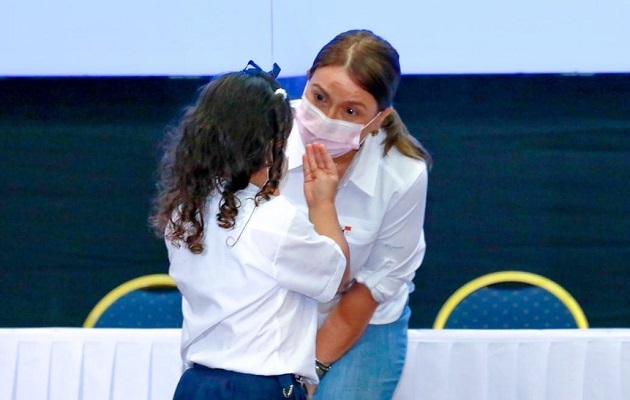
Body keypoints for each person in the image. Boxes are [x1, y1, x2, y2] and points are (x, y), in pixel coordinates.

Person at [150, 67, 351, 399]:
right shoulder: (275, 218)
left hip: (197, 384)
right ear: (271, 144)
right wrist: (323, 203)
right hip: (258, 385)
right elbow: (337, 277)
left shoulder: (184, 211)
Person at [281, 29, 432, 399]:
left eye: (351, 111)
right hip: (271, 314)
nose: (327, 118)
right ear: (306, 83)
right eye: (319, 97)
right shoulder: (259, 136)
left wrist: (308, 375)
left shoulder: (403, 174)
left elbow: (370, 288)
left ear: (378, 119)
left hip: (361, 322)